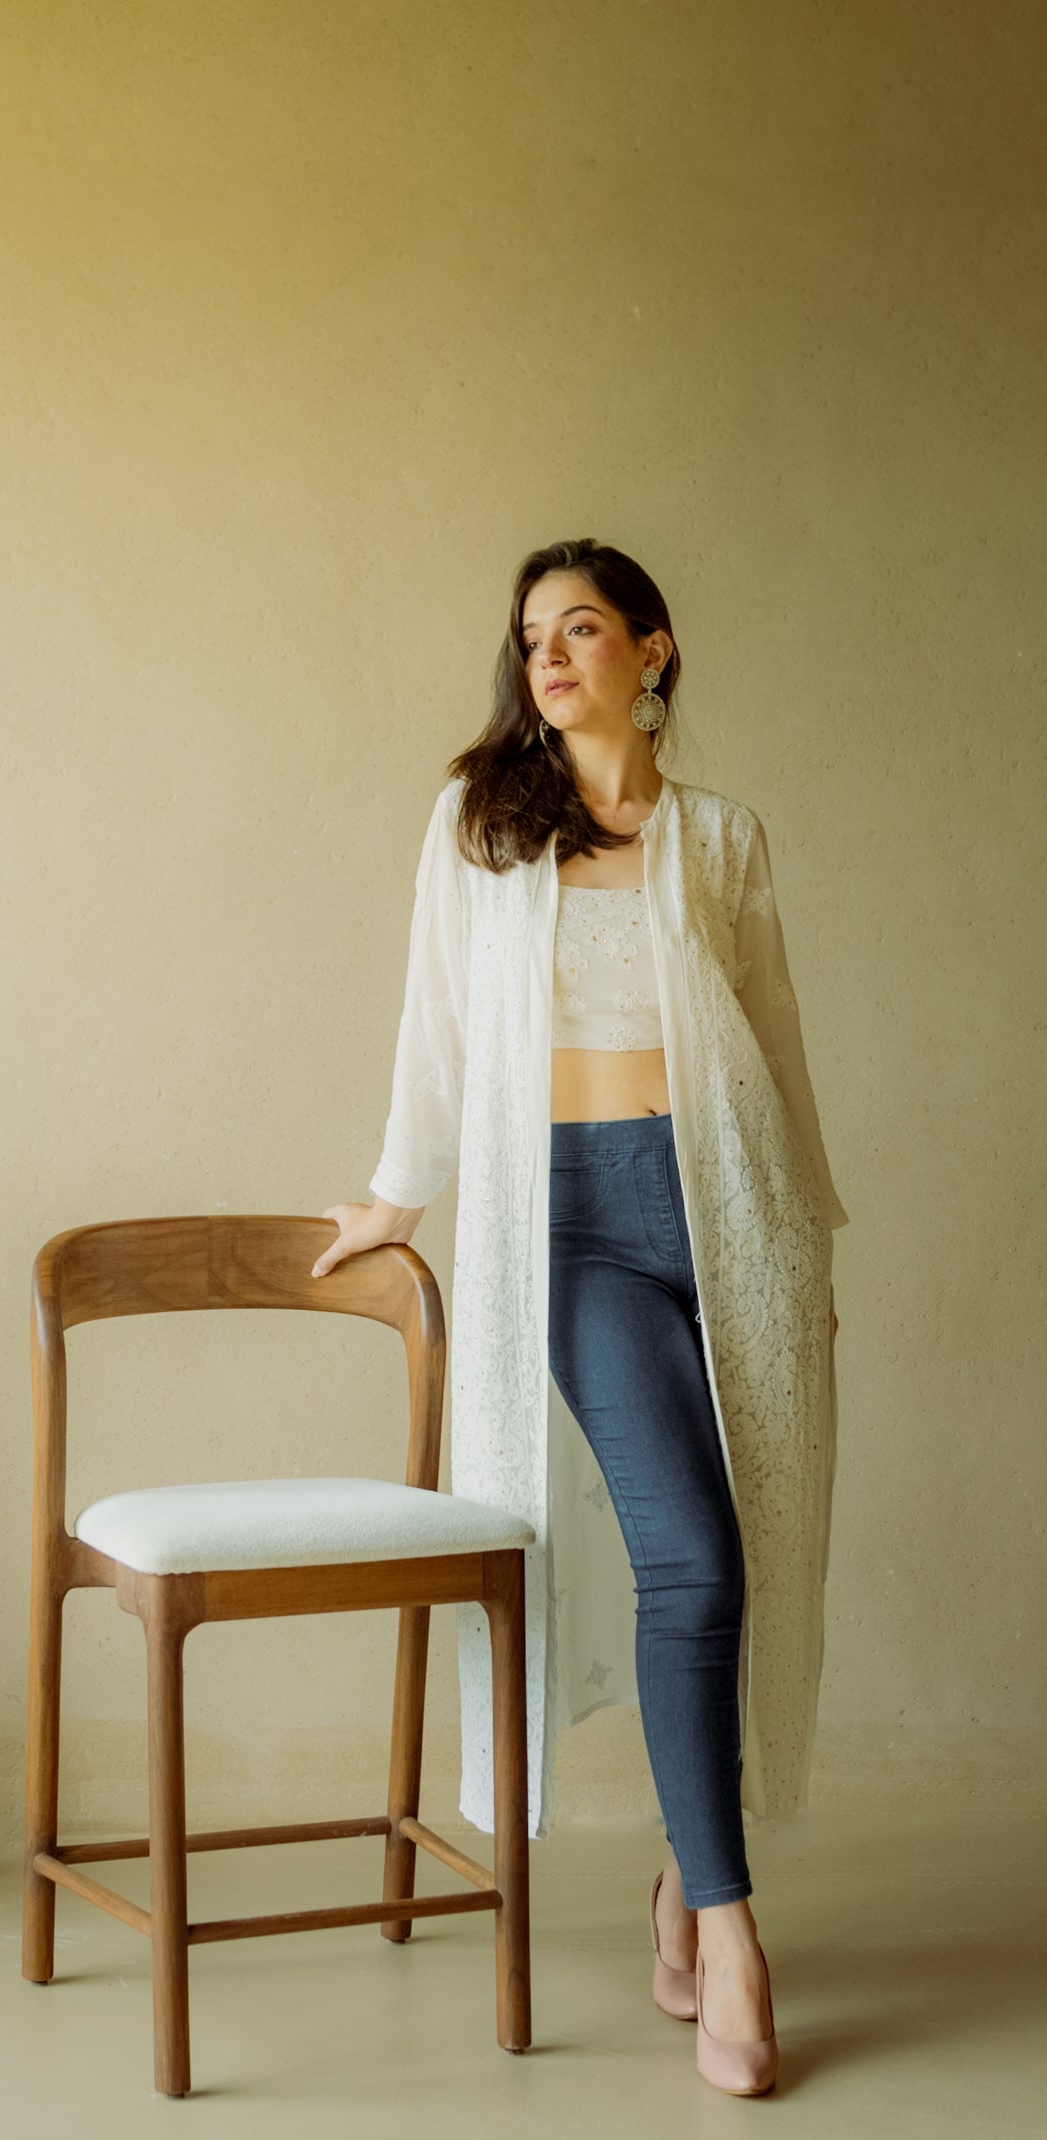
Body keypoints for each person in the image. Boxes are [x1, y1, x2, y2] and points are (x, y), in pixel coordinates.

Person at [311, 538, 848, 2097]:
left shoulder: (722, 841)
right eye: (530, 635)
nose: (547, 656)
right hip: (573, 1229)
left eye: (581, 628)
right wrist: (395, 1195)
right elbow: (435, 1021)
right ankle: (735, 1927)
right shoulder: (479, 829)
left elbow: (773, 1047)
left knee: (737, 1561)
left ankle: (687, 1877)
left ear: (652, 652)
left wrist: (808, 1241)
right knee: (689, 1553)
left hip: (730, 1213)